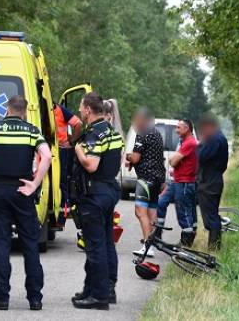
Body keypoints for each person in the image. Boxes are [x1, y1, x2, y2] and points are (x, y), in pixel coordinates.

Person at [0, 95, 52, 311]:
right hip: (23, 190)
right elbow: (47, 157)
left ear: (7, 109)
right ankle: (35, 298)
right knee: (30, 244)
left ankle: (1, 297)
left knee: (1, 243)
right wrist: (34, 184)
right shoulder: (31, 131)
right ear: (24, 111)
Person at [71, 92, 123, 310]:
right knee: (106, 242)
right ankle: (100, 288)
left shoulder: (94, 134)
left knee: (95, 246)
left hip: (94, 195)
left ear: (89, 110)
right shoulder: (112, 132)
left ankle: (99, 296)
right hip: (108, 190)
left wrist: (78, 149)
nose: (80, 111)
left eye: (82, 108)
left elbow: (91, 165)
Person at [125, 107, 166, 257]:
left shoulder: (142, 133)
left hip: (145, 179)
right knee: (152, 212)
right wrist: (163, 180)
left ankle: (147, 245)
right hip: (157, 178)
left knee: (140, 212)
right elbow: (158, 157)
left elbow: (135, 158)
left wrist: (128, 157)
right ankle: (153, 243)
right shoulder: (157, 133)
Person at [157, 119, 198, 247]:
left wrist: (174, 160)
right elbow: (174, 160)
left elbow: (173, 162)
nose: (176, 130)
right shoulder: (183, 142)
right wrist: (174, 160)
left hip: (185, 182)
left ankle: (186, 243)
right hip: (176, 181)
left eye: (178, 127)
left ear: (187, 129)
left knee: (184, 211)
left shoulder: (190, 143)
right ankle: (158, 233)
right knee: (161, 202)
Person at [196, 113, 229, 250]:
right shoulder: (220, 137)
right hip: (214, 179)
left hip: (209, 181)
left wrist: (201, 144)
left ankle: (214, 247)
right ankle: (214, 246)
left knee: (211, 216)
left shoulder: (214, 139)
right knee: (211, 214)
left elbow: (201, 156)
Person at [53, 101, 82, 225]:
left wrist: (72, 141)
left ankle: (62, 216)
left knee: (62, 184)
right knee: (58, 184)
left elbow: (78, 123)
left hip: (60, 150)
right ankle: (59, 215)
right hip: (53, 149)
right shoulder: (56, 110)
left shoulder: (60, 110)